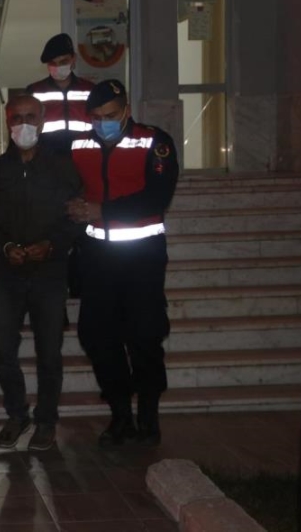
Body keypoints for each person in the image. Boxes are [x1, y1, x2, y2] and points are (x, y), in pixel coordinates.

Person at [65, 79, 178, 448]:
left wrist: (103, 210)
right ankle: (120, 414)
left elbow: (156, 197)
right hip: (97, 257)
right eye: (97, 117)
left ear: (127, 110)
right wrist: (74, 207)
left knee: (144, 336)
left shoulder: (153, 142)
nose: (104, 123)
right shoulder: (78, 144)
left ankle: (148, 416)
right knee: (97, 336)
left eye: (111, 115)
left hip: (142, 256)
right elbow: (67, 186)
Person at [0, 95, 83, 451]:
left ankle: (46, 422)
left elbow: (76, 218)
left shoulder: (63, 168)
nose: (24, 125)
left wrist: (51, 245)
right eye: (17, 118)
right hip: (7, 274)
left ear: (43, 119)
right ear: (7, 122)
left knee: (49, 352)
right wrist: (4, 247)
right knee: (2, 347)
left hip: (50, 274)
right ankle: (17, 414)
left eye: (30, 117)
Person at [25, 33, 95, 156]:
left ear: (74, 58)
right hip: (46, 158)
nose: (58, 67)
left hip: (84, 155)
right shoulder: (34, 91)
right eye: (53, 63)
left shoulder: (90, 89)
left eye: (63, 61)